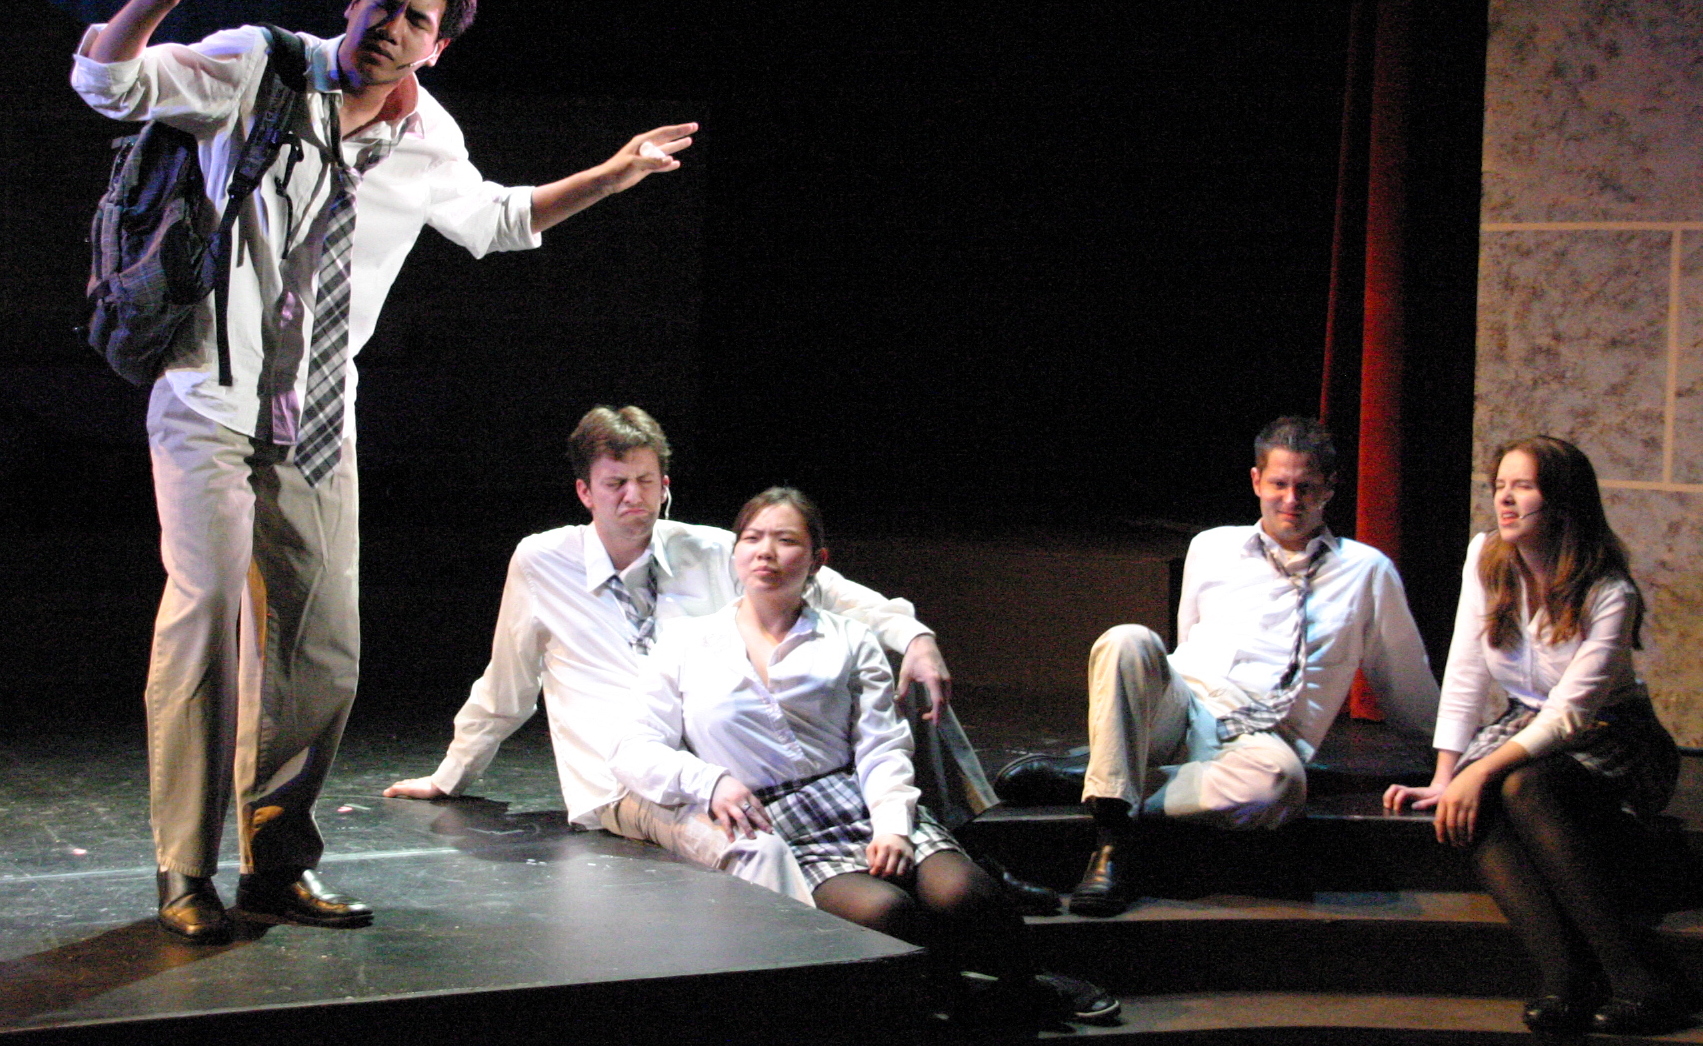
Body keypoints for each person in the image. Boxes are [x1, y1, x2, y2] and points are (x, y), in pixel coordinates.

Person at [70, 0, 697, 944]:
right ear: (352, 3)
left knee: (322, 648)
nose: (391, 27)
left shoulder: (427, 136)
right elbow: (108, 82)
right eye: (382, 4)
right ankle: (185, 870)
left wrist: (614, 173)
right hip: (209, 394)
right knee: (207, 614)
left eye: (417, 19)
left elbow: (496, 219)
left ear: (438, 45)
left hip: (319, 416)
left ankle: (276, 861)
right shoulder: (259, 65)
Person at [383, 407, 979, 903]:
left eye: (646, 481)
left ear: (665, 485)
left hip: (724, 758)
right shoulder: (543, 562)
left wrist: (915, 636)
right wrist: (451, 774)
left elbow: (831, 592)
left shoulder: (711, 548)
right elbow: (507, 685)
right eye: (616, 483)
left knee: (898, 677)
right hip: (628, 781)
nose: (634, 496)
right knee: (755, 847)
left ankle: (958, 847)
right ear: (585, 492)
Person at [609, 487, 1118, 1028]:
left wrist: (893, 825)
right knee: (884, 911)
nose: (766, 553)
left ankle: (1023, 985)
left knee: (963, 892)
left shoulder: (848, 638)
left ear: (816, 560)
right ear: (735, 553)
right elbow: (632, 747)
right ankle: (963, 997)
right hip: (777, 819)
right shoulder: (687, 643)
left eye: (786, 541)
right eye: (752, 539)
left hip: (857, 798)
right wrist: (709, 782)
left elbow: (881, 744)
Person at [1004, 416, 1439, 916]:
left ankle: (1102, 786)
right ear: (1256, 481)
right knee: (1126, 640)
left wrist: (1456, 759)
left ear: (1330, 488)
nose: (1291, 499)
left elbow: (1404, 680)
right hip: (1186, 707)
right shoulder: (1211, 547)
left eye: (1305, 487)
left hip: (1260, 740)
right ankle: (1111, 846)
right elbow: (1186, 641)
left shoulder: (1366, 571)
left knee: (1280, 784)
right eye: (1278, 484)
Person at [1384, 438, 1689, 1036]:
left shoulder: (1609, 592)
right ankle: (1563, 979)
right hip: (1525, 723)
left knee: (1519, 786)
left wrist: (1480, 769)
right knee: (1480, 797)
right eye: (1500, 484)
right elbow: (1466, 670)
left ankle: (1639, 982)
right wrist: (1446, 775)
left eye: (1522, 486)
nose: (1504, 498)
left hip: (1614, 738)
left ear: (1562, 501)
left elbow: (1571, 717)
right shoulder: (1486, 557)